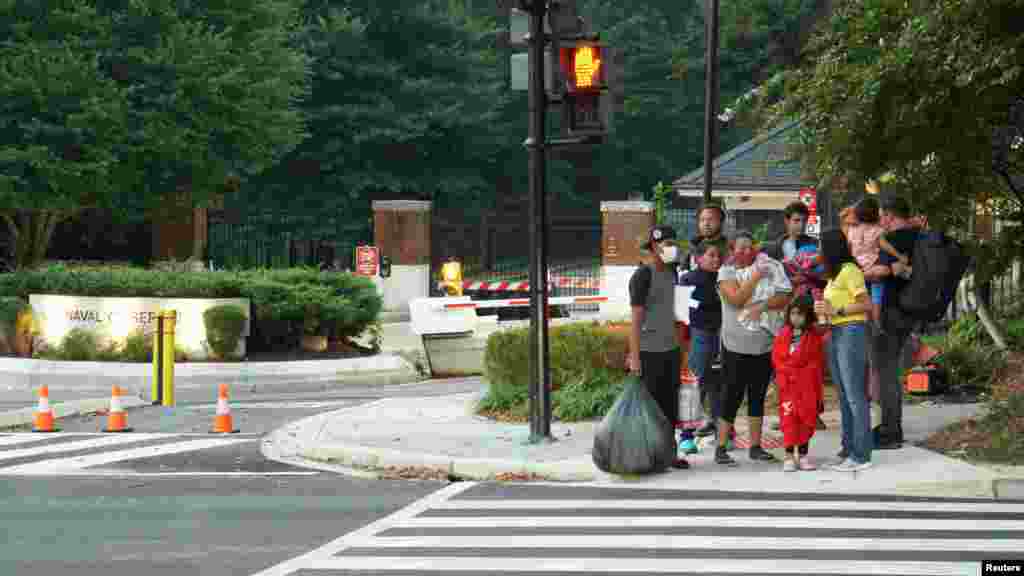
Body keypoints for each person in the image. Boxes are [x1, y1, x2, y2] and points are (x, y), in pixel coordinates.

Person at [714, 231, 793, 466]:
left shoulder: (769, 267)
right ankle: (721, 447)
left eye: (750, 247)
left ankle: (756, 447)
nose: (747, 251)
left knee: (757, 396)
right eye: (741, 247)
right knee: (731, 395)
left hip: (763, 343)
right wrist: (757, 275)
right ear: (732, 250)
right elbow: (736, 299)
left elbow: (784, 297)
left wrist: (763, 305)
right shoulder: (726, 272)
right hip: (735, 344)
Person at [627, 225, 690, 470]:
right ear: (654, 247)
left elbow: (679, 317)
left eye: (674, 244)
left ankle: (668, 454)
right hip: (648, 352)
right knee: (649, 409)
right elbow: (635, 320)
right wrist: (634, 358)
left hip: (670, 350)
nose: (672, 249)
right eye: (667, 244)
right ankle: (647, 455)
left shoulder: (674, 274)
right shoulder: (643, 276)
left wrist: (683, 352)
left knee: (670, 407)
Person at [815, 228, 873, 472]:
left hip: (851, 330)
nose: (818, 250)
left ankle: (861, 455)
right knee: (843, 395)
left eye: (821, 246)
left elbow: (866, 304)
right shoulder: (834, 275)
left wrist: (836, 311)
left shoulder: (850, 271)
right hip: (836, 331)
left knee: (854, 395)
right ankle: (848, 448)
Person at [869, 197, 922, 449]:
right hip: (911, 310)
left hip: (892, 310)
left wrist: (861, 273)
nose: (880, 220)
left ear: (889, 215)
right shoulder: (919, 237)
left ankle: (891, 431)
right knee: (891, 370)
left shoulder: (893, 239)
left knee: (886, 372)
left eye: (882, 215)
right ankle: (891, 426)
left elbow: (881, 271)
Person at [772, 298, 825, 472]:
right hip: (787, 387)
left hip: (806, 387)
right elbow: (777, 359)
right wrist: (788, 371)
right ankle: (788, 456)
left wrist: (800, 372)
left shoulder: (813, 337)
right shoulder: (782, 335)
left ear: (808, 316)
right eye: (793, 313)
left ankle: (803, 456)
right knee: (789, 421)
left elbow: (816, 362)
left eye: (800, 314)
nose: (796, 317)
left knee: (805, 420)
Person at [846, 197, 910, 331]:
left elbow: (848, 249)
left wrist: (853, 271)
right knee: (876, 297)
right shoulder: (879, 232)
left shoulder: (852, 231)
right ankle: (876, 323)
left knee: (861, 297)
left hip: (858, 266)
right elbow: (887, 249)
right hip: (872, 265)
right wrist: (899, 257)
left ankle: (866, 323)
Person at [679, 242, 723, 439]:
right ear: (698, 258)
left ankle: (717, 425)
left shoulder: (723, 278)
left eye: (718, 256)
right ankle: (686, 434)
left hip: (721, 335)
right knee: (695, 382)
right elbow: (680, 311)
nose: (716, 259)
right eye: (711, 255)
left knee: (718, 383)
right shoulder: (688, 279)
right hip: (699, 334)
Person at [683, 202, 730, 272]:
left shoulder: (729, 247)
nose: (706, 224)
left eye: (711, 219)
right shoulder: (693, 245)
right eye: (702, 220)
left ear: (721, 222)